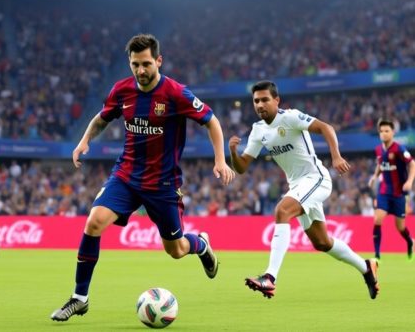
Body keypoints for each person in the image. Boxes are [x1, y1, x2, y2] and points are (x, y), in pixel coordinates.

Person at [51, 33, 234, 322]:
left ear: (158, 61)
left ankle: (200, 244)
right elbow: (102, 117)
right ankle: (79, 298)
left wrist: (220, 159)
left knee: (175, 250)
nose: (141, 70)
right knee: (94, 222)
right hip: (125, 176)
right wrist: (84, 141)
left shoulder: (175, 93)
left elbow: (211, 121)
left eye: (147, 63)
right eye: (135, 64)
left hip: (163, 184)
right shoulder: (121, 90)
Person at [228, 80, 379, 299]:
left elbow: (325, 127)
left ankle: (270, 278)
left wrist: (336, 156)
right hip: (299, 186)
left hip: (316, 179)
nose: (260, 105)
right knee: (322, 242)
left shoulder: (290, 117)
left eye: (265, 100)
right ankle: (366, 267)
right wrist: (233, 152)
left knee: (282, 211)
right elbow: (241, 167)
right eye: (256, 101)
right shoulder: (258, 130)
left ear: (276, 100)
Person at [368, 119, 415, 260]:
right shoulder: (378, 150)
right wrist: (374, 177)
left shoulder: (399, 149)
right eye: (381, 131)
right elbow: (380, 164)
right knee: (377, 219)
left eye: (387, 131)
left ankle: (410, 241)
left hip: (398, 193)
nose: (383, 134)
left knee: (400, 227)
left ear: (393, 132)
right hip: (384, 192)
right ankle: (377, 254)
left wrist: (409, 181)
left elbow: (412, 164)